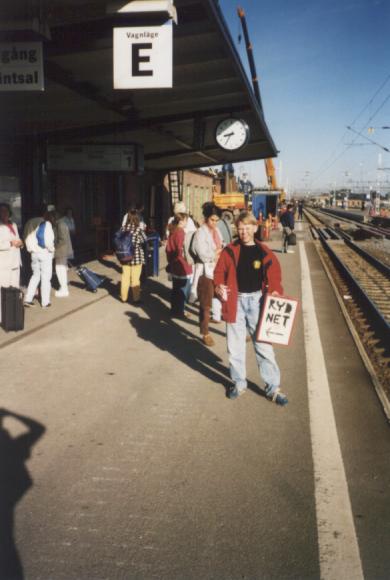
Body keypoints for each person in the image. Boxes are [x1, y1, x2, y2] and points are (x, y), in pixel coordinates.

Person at [214, 211, 288, 405]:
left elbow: (274, 275)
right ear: (236, 229)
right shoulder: (230, 250)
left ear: (255, 228)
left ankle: (273, 387)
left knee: (263, 346)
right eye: (240, 228)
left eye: (247, 228)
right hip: (234, 301)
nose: (244, 232)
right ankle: (239, 384)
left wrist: (275, 291)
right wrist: (218, 285)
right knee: (235, 347)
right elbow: (219, 272)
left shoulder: (264, 252)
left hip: (257, 302)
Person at [192, 202, 223, 347]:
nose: (215, 223)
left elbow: (222, 245)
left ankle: (235, 329)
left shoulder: (217, 231)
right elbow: (202, 254)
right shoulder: (200, 233)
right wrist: (216, 253)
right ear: (206, 218)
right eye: (212, 220)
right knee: (205, 305)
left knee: (224, 298)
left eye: (217, 220)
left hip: (218, 270)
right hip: (205, 272)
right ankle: (205, 333)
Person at [23, 206, 56, 308]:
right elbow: (46, 241)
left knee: (35, 276)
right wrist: (52, 250)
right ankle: (45, 302)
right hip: (44, 253)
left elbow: (25, 237)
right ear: (45, 213)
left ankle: (28, 299)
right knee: (46, 278)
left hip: (33, 253)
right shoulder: (46, 223)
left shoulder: (28, 223)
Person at [166, 212, 192, 319]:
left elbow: (169, 249)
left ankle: (174, 310)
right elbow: (182, 249)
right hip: (182, 265)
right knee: (183, 290)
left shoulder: (172, 231)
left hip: (174, 264)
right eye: (186, 220)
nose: (187, 222)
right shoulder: (180, 233)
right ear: (181, 221)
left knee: (175, 289)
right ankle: (180, 311)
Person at [0, 203, 23, 322]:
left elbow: (17, 239)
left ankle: (12, 314)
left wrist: (20, 243)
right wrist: (10, 244)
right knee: (3, 290)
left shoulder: (12, 224)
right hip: (4, 264)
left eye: (6, 211)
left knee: (15, 289)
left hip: (15, 262)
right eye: (2, 211)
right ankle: (1, 316)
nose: (4, 213)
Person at [120, 208, 147, 304]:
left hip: (125, 256)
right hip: (136, 257)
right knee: (135, 279)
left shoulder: (123, 229)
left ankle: (123, 298)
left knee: (125, 277)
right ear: (137, 218)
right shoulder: (138, 229)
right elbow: (144, 240)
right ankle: (136, 299)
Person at [54, 211, 74, 297]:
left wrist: (54, 247)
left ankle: (64, 288)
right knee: (62, 269)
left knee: (59, 269)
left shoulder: (59, 225)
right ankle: (63, 287)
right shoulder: (62, 224)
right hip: (64, 250)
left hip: (60, 251)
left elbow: (62, 239)